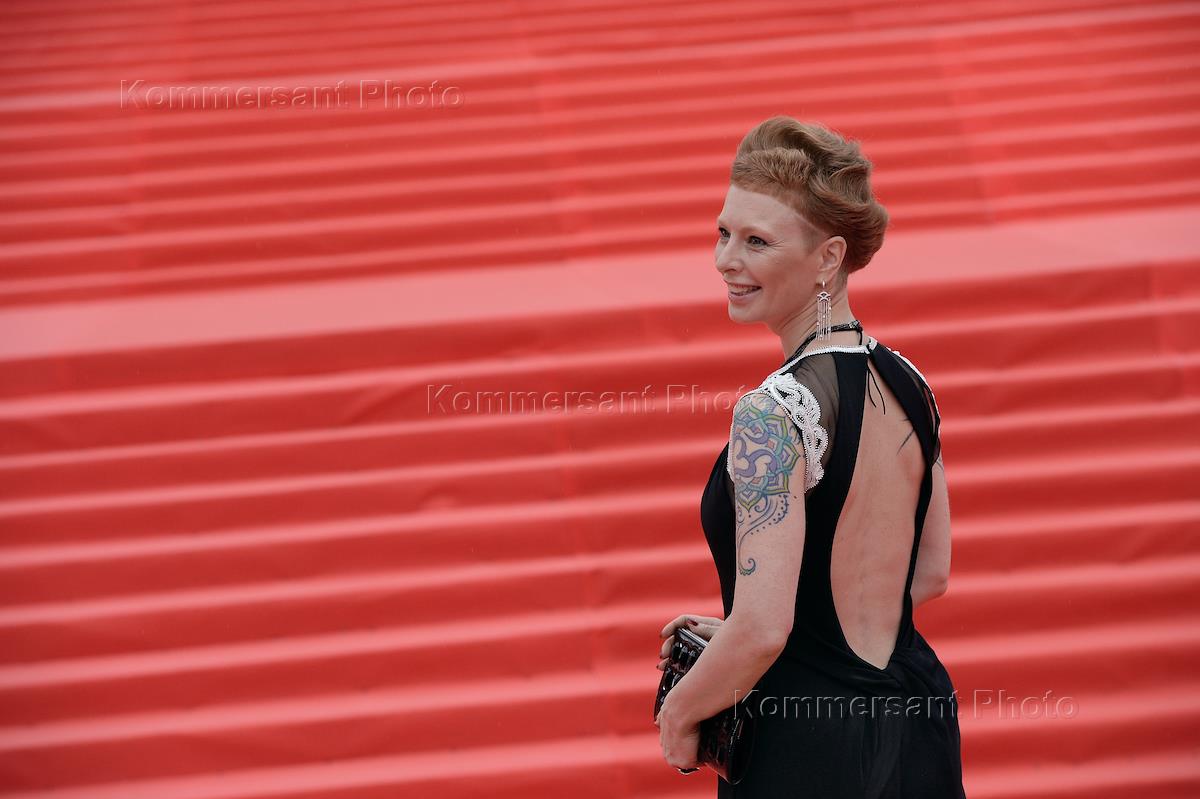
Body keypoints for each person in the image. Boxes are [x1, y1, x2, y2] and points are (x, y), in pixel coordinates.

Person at [653, 116, 967, 797]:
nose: (725, 260)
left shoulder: (770, 413)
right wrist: (786, 632)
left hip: (807, 744)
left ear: (829, 258)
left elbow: (764, 627)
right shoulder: (910, 381)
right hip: (917, 716)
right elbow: (930, 572)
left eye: (757, 241)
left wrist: (679, 714)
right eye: (723, 232)